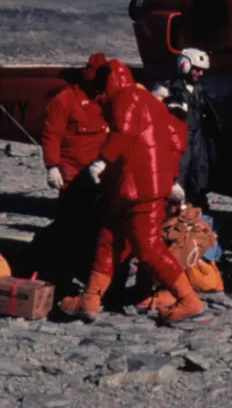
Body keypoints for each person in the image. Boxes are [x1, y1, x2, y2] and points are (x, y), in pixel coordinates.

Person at [59, 59, 205, 324]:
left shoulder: (127, 97)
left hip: (138, 187)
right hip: (135, 186)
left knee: (148, 247)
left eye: (101, 86)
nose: (99, 94)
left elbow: (124, 130)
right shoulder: (149, 102)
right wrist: (170, 179)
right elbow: (174, 140)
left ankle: (189, 300)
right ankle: (91, 299)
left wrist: (102, 160)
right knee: (109, 239)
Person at [31, 52, 111, 295]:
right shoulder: (64, 100)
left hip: (99, 176)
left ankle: (88, 273)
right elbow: (51, 134)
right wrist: (52, 166)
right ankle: (60, 276)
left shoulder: (105, 100)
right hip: (73, 175)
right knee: (70, 226)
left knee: (96, 227)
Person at [167, 47, 220, 211]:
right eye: (197, 70)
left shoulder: (200, 91)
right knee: (179, 176)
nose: (200, 74)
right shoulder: (172, 90)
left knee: (198, 177)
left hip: (197, 140)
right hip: (181, 141)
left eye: (202, 71)